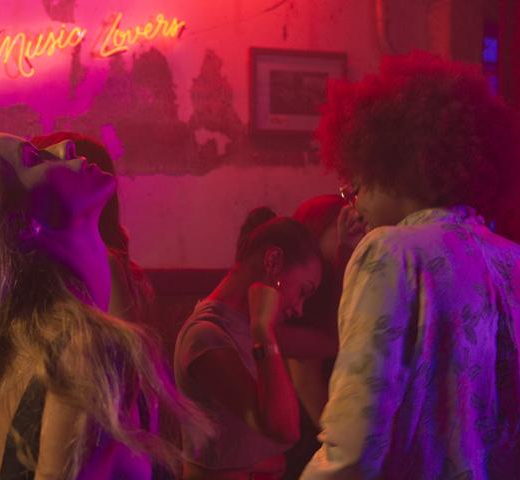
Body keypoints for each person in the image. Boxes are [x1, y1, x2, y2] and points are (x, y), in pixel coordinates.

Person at [303, 51, 520, 478]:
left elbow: (354, 446)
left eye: (355, 184)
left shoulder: (393, 252)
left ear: (395, 165)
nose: (354, 203)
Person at [0, 131, 211, 479]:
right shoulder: (84, 349)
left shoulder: (9, 356)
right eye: (33, 159)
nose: (64, 147)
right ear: (19, 223)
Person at [174, 207, 323, 479]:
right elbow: (285, 430)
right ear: (273, 260)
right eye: (303, 291)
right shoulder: (206, 336)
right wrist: (263, 332)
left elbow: (332, 341)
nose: (299, 308)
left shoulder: (244, 325)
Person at [280, 195, 364, 479]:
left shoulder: (346, 285)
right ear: (315, 233)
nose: (355, 230)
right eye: (340, 224)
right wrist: (339, 449)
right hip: (314, 443)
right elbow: (308, 387)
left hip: (334, 437)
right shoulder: (305, 300)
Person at [31, 132, 154, 326]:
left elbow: (130, 344)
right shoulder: (101, 264)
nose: (82, 162)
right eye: (70, 159)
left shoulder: (105, 263)